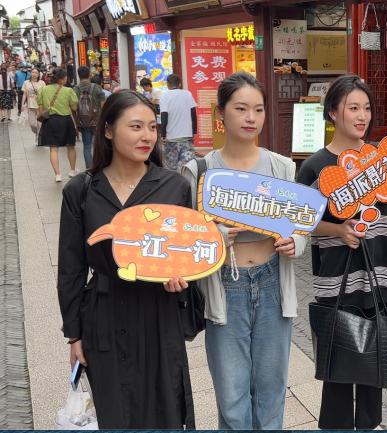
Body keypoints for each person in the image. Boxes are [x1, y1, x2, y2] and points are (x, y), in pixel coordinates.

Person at [57, 90, 195, 429]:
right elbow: (71, 268)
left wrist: (182, 281)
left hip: (158, 313)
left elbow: (190, 254)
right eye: (135, 127)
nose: (147, 136)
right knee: (115, 412)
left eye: (152, 127)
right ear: (108, 130)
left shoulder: (174, 186)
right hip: (104, 316)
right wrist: (74, 335)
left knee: (166, 411)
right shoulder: (82, 190)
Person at [296, 74, 387, 429]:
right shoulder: (316, 165)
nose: (362, 116)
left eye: (366, 108)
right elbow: (301, 219)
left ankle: (369, 425)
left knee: (374, 368)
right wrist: (338, 229)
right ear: (333, 112)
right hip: (338, 276)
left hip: (383, 272)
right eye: (353, 108)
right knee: (338, 368)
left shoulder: (381, 159)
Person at [181, 72, 306, 429]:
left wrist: (295, 242)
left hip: (272, 284)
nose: (251, 118)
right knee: (232, 396)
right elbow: (187, 238)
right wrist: (214, 238)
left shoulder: (282, 167)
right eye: (240, 108)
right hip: (225, 287)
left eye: (258, 109)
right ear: (221, 113)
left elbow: (300, 224)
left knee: (271, 392)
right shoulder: (199, 170)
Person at [38, 68, 79, 182]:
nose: (66, 79)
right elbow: (74, 107)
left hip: (50, 120)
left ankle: (58, 174)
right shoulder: (68, 90)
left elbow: (40, 106)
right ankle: (72, 170)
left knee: (53, 148)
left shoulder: (43, 89)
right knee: (70, 146)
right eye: (65, 77)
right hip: (65, 120)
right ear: (62, 79)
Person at [160, 74, 197, 171]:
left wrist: (163, 134)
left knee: (170, 168)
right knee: (187, 167)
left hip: (171, 138)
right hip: (186, 137)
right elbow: (193, 113)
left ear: (168, 85)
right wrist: (194, 131)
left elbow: (164, 116)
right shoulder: (187, 94)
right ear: (179, 84)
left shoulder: (164, 96)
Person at [74, 66, 107, 169]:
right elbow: (103, 105)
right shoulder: (96, 87)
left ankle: (89, 168)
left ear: (78, 75)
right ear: (89, 75)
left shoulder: (75, 89)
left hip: (83, 122)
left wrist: (76, 122)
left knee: (87, 147)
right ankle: (100, 166)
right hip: (97, 120)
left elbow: (74, 107)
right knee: (99, 145)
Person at [21, 67, 45, 138]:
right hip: (30, 104)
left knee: (40, 123)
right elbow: (24, 94)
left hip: (40, 105)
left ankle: (39, 136)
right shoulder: (26, 82)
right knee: (32, 124)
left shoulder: (42, 83)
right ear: (30, 73)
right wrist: (22, 105)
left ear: (39, 74)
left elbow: (45, 94)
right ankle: (37, 133)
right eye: (33, 72)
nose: (34, 74)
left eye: (36, 73)